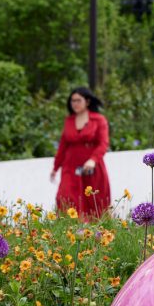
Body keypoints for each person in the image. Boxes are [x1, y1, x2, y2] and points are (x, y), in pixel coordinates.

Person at [50, 87, 111, 219]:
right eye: (72, 101)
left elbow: (103, 143)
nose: (75, 104)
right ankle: (69, 229)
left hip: (91, 167)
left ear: (87, 101)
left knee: (94, 202)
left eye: (78, 100)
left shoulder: (99, 120)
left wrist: (93, 159)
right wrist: (55, 167)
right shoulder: (69, 120)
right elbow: (62, 146)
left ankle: (93, 233)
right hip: (70, 167)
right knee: (65, 197)